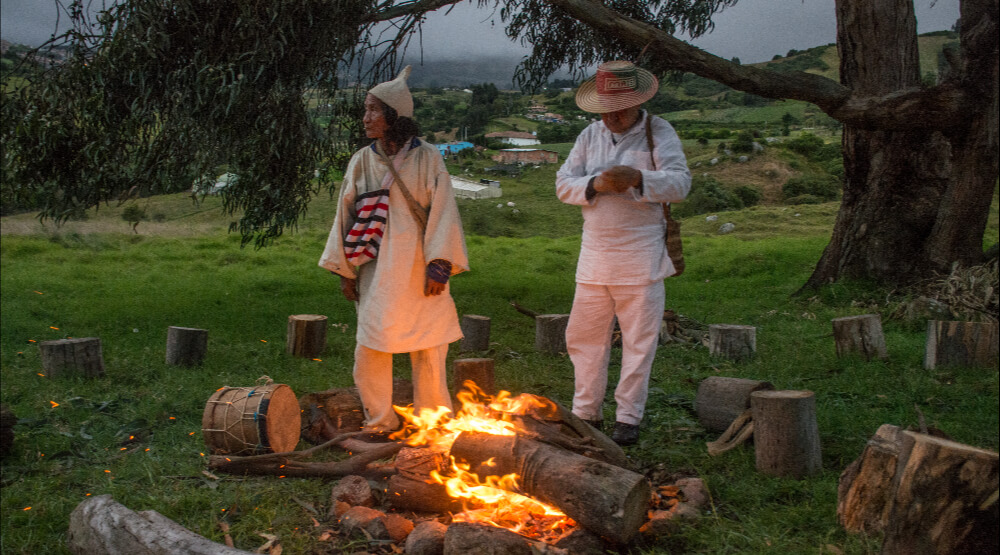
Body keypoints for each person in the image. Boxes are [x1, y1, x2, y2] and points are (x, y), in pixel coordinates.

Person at [319, 66, 468, 434]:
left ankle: (434, 421)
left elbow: (444, 210)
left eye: (373, 109)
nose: (365, 117)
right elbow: (345, 216)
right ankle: (379, 420)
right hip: (376, 270)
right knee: (371, 344)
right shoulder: (362, 160)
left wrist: (440, 264)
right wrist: (345, 270)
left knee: (430, 345)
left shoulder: (429, 157)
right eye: (365, 109)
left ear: (394, 115)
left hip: (422, 267)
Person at [556, 61, 691, 446]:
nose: (613, 117)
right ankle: (585, 413)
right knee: (583, 337)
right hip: (595, 254)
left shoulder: (658, 131)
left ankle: (628, 418)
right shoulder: (589, 135)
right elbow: (563, 183)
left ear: (637, 103)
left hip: (641, 255)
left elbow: (681, 183)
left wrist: (639, 179)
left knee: (638, 340)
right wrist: (595, 183)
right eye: (606, 109)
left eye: (621, 108)